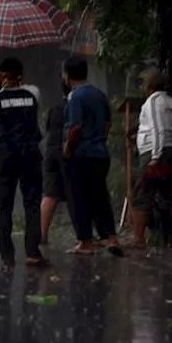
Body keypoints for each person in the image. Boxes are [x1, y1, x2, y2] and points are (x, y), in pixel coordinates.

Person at [0, 57, 48, 267]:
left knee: (4, 205)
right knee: (32, 203)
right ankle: (33, 252)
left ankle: (7, 256)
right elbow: (36, 103)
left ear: (0, 76)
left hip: (6, 155)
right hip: (30, 154)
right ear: (21, 75)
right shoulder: (33, 92)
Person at [62, 57, 122, 255]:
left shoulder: (74, 97)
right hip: (100, 153)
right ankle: (112, 238)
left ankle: (86, 241)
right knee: (100, 196)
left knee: (79, 197)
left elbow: (75, 126)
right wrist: (100, 140)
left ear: (67, 76)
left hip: (81, 154)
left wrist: (68, 149)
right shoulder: (99, 94)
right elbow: (107, 124)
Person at [128, 70, 172, 248]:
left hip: (154, 153)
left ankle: (138, 239)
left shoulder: (152, 102)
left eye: (144, 83)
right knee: (169, 192)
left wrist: (156, 156)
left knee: (142, 191)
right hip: (171, 150)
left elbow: (157, 128)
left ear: (149, 86)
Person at [40, 79, 70, 245]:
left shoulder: (55, 107)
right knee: (76, 193)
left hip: (51, 151)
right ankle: (86, 238)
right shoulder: (76, 106)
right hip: (67, 151)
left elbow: (48, 128)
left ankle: (42, 234)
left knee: (50, 194)